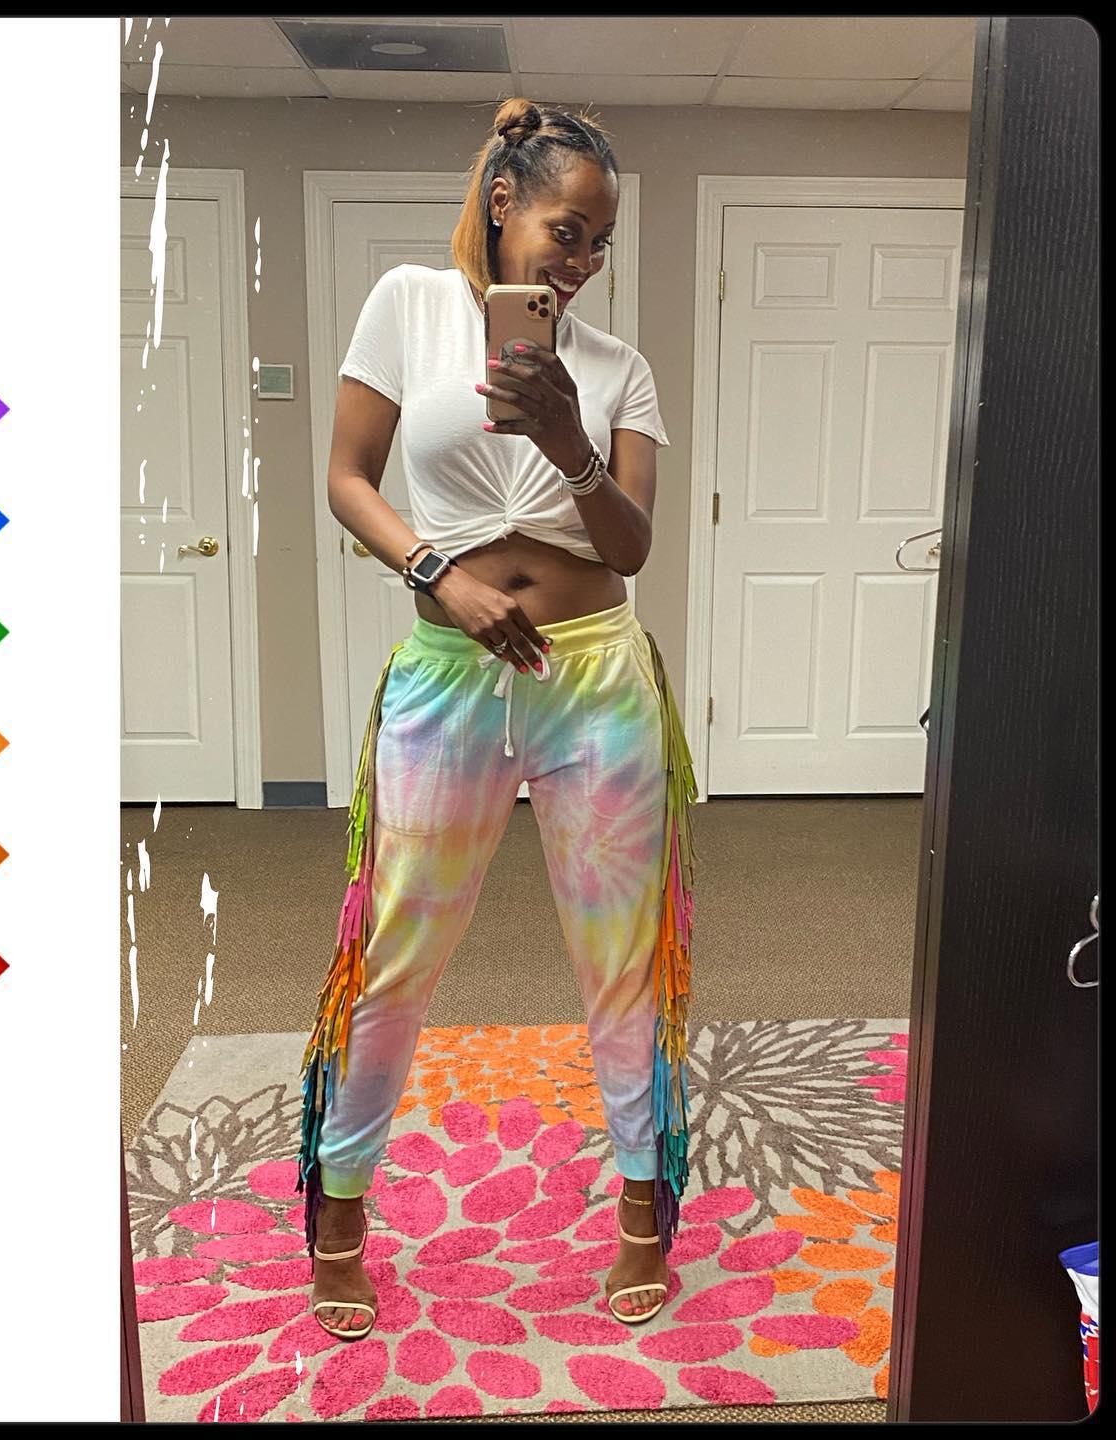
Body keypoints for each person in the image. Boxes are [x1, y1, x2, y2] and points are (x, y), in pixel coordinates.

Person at [294, 97, 697, 1342]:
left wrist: (572, 439)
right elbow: (347, 478)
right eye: (566, 232)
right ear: (505, 202)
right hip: (449, 671)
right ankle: (339, 1214)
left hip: (595, 677)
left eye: (600, 244)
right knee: (397, 953)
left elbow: (630, 544)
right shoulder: (408, 304)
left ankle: (643, 1211)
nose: (579, 263)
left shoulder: (616, 367)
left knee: (621, 958)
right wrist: (439, 576)